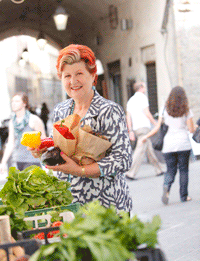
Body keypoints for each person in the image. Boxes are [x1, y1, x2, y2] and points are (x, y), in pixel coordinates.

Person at [30, 44, 133, 213]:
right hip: (70, 206)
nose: (73, 81)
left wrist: (79, 170)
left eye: (79, 74)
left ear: (93, 76)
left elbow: (123, 159)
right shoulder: (60, 110)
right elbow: (58, 150)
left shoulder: (108, 110)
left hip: (106, 206)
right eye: (67, 76)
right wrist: (41, 150)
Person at [140, 86, 195, 204]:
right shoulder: (186, 110)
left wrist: (146, 136)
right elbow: (191, 130)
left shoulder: (165, 109)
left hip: (168, 145)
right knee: (184, 170)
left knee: (170, 170)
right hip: (183, 144)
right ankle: (184, 196)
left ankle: (167, 187)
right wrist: (194, 127)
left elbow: (158, 127)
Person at [125, 81, 164, 180]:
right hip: (143, 127)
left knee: (149, 149)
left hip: (136, 128)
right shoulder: (142, 98)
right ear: (141, 87)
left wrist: (130, 131)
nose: (146, 89)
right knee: (139, 150)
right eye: (145, 86)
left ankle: (159, 169)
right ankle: (130, 173)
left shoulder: (130, 100)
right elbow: (147, 113)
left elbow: (128, 117)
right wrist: (156, 123)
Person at [0, 92, 46, 173]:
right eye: (12, 101)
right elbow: (11, 143)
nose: (13, 104)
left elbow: (44, 141)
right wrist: (3, 162)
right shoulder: (12, 122)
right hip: (17, 161)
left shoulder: (34, 120)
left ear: (24, 103)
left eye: (17, 101)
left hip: (32, 161)